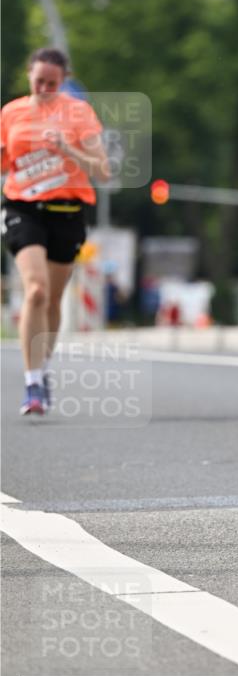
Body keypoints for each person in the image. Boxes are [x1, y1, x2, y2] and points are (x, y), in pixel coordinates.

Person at [1, 47, 110, 415]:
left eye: (52, 82)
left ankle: (43, 368)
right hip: (22, 208)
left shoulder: (78, 114)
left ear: (64, 81)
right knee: (35, 290)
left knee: (52, 299)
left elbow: (103, 171)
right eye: (38, 81)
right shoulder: (11, 112)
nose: (45, 87)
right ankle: (32, 384)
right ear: (29, 77)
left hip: (67, 210)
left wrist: (68, 149)